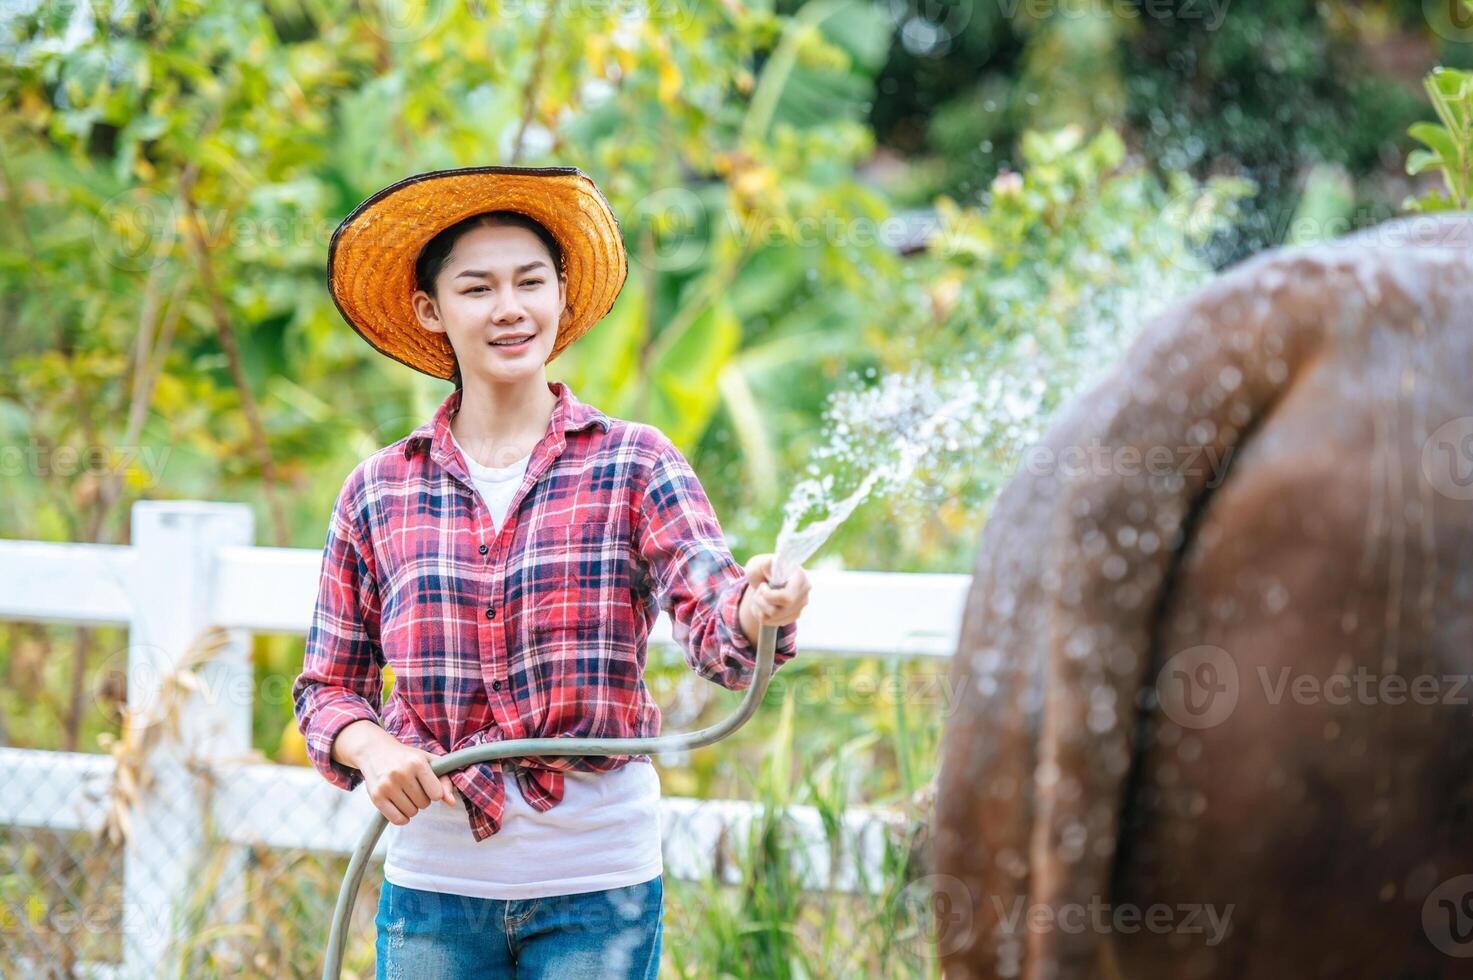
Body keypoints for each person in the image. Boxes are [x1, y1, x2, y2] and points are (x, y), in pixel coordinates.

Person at [292, 165, 811, 979]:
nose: (510, 308)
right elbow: (326, 687)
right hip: (433, 887)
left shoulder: (635, 463)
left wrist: (757, 607)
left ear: (561, 297)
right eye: (477, 287)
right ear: (432, 310)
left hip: (596, 888)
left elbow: (716, 623)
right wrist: (372, 749)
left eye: (531, 281)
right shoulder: (377, 490)